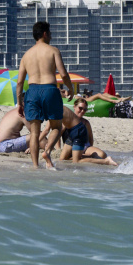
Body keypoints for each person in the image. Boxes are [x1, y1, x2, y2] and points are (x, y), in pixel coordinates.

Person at [19, 19, 70, 169]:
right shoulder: (53, 50)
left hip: (33, 90)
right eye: (50, 33)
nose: (51, 36)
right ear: (45, 34)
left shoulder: (26, 55)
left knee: (34, 133)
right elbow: (64, 74)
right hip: (49, 89)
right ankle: (47, 151)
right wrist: (71, 89)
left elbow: (20, 82)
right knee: (56, 126)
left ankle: (35, 166)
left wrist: (18, 102)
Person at [59, 96, 117, 165]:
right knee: (67, 159)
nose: (82, 111)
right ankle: (84, 157)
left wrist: (87, 149)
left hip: (84, 147)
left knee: (102, 154)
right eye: (80, 108)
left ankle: (83, 156)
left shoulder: (86, 122)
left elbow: (90, 138)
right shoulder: (68, 121)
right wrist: (58, 148)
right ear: (74, 106)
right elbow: (58, 134)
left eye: (85, 109)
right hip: (71, 146)